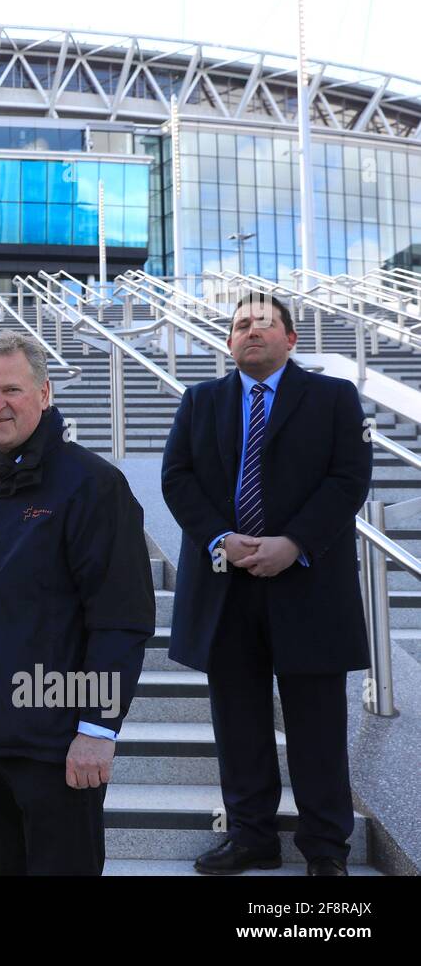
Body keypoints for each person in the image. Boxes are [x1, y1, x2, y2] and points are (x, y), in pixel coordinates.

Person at [161, 292, 372, 877]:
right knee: (238, 723)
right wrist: (219, 539)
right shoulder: (200, 401)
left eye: (264, 323)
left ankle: (327, 848)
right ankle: (251, 836)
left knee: (317, 727)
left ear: (291, 339)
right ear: (229, 343)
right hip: (226, 583)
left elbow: (349, 478)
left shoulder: (332, 398)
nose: (250, 331)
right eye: (240, 325)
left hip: (306, 582)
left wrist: (294, 543)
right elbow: (177, 478)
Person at [0, 333, 155, 875]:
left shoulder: (92, 485)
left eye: (12, 389)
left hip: (57, 742)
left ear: (45, 393)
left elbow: (120, 619)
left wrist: (98, 729)